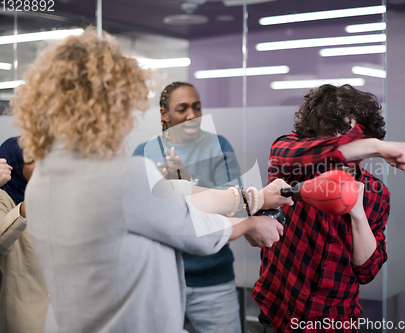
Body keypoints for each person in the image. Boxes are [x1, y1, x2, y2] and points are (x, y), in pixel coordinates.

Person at [12, 29, 291, 333]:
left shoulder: (41, 181)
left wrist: (247, 198)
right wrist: (253, 212)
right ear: (108, 106)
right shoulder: (124, 175)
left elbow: (171, 205)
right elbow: (196, 229)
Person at [251, 84, 405, 333]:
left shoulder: (376, 193)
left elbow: (367, 270)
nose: (338, 142)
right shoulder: (292, 164)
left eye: (347, 133)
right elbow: (285, 154)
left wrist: (357, 213)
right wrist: (376, 147)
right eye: (329, 133)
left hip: (335, 321)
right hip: (280, 311)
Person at [134, 82, 247, 333]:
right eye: (182, 109)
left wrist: (187, 185)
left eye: (197, 108)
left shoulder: (218, 146)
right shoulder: (144, 153)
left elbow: (236, 208)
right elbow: (139, 218)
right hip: (161, 280)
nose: (192, 116)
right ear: (165, 114)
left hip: (213, 279)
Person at [0, 137, 49, 333]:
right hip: (26, 316)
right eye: (31, 158)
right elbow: (2, 241)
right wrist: (29, 204)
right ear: (13, 165)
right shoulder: (4, 197)